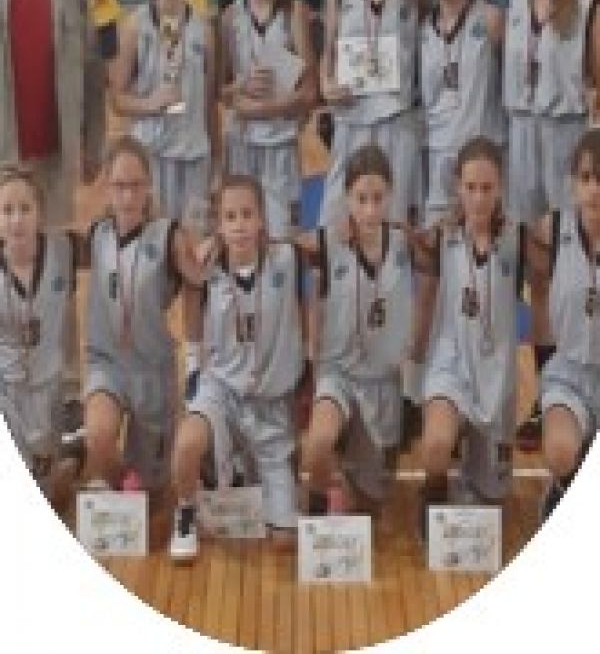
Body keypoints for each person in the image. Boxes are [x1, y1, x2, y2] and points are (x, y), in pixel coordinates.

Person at [503, 0, 600, 448]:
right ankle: (547, 393)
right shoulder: (515, 1)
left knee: (571, 273)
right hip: (521, 138)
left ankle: (581, 381)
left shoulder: (586, 8)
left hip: (566, 141)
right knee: (535, 277)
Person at [170, 175, 304, 559]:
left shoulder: (287, 259)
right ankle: (186, 511)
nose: (240, 225)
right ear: (219, 224)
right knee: (187, 443)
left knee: (283, 542)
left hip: (271, 404)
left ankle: (250, 472)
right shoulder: (207, 268)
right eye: (230, 216)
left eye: (247, 214)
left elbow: (329, 247)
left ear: (262, 219)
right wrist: (192, 365)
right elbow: (190, 304)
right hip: (223, 392)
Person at [302, 145, 435, 526]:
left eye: (378, 198)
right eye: (361, 199)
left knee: (372, 510)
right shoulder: (328, 243)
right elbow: (276, 245)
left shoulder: (405, 243)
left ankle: (353, 478)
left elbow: (441, 253)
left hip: (384, 383)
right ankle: (317, 513)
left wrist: (417, 357)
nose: (370, 209)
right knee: (319, 442)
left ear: (391, 195)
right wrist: (312, 365)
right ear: (347, 198)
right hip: (339, 375)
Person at [420, 137, 535, 536]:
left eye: (487, 188)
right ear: (458, 186)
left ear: (501, 187)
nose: (479, 198)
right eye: (471, 187)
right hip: (451, 363)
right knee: (435, 447)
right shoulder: (442, 235)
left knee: (493, 497)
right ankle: (433, 495)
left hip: (496, 373)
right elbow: (393, 241)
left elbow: (557, 260)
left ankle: (478, 469)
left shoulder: (518, 239)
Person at [82, 136, 207, 496]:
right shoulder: (96, 235)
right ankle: (117, 479)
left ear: (149, 185)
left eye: (136, 186)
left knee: (153, 493)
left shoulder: (168, 236)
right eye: (119, 186)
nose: (127, 196)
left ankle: (135, 484)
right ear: (107, 187)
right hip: (108, 363)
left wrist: (195, 356)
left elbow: (198, 281)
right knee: (99, 437)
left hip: (153, 370)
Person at [319, 0, 421, 226]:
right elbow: (328, 55)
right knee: (335, 228)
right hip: (351, 123)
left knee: (393, 232)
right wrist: (326, 84)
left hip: (398, 126)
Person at [109, 0, 219, 219]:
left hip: (195, 158)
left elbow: (210, 105)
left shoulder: (205, 30)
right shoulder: (135, 26)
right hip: (152, 158)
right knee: (156, 241)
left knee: (194, 242)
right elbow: (117, 99)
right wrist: (150, 103)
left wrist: (217, 164)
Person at [220, 0, 316, 235]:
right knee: (241, 239)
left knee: (281, 241)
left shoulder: (295, 13)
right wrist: (241, 87)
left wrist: (264, 108)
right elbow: (221, 92)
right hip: (241, 146)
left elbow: (310, 93)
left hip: (280, 149)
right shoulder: (230, 17)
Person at [0, 0, 105, 227]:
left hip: (57, 158)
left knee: (55, 249)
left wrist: (93, 143)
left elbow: (92, 64)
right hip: (4, 153)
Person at [0, 164, 81, 507]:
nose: (16, 220)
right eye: (7, 210)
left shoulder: (64, 250)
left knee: (48, 489)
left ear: (41, 214)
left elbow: (114, 239)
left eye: (25, 209)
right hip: (7, 391)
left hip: (50, 389)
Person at [420, 0, 505, 224]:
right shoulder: (422, 31)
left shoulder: (492, 19)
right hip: (439, 160)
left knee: (487, 244)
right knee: (437, 244)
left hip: (483, 159)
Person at [539, 129, 600, 518]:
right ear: (574, 183)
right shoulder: (552, 228)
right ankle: (561, 486)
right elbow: (493, 232)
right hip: (570, 374)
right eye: (586, 178)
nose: (595, 189)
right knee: (561, 450)